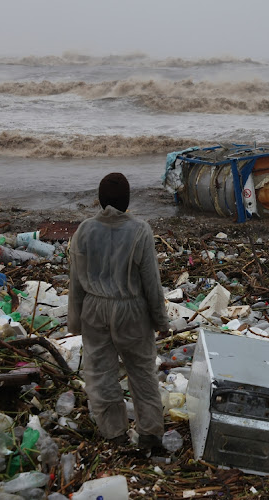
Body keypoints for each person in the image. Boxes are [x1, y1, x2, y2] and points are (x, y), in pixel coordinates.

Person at [68, 172, 169, 452]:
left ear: (100, 200)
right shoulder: (140, 230)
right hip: (131, 310)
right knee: (142, 372)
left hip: (94, 309)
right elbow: (151, 282)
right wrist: (160, 319)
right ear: (127, 201)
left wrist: (75, 322)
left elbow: (76, 281)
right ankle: (149, 434)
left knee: (100, 374)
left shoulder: (84, 230)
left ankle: (115, 434)